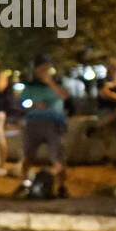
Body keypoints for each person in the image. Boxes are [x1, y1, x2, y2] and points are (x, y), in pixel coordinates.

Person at [13, 54, 70, 198]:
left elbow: (65, 96)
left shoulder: (59, 82)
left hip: (53, 122)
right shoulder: (30, 85)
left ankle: (61, 186)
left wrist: (50, 82)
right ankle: (24, 183)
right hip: (33, 121)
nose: (44, 71)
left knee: (57, 157)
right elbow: (21, 102)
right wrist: (32, 104)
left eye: (47, 68)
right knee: (27, 155)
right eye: (41, 68)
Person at [86, 57, 116, 155]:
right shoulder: (102, 81)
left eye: (115, 66)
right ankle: (107, 154)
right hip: (106, 109)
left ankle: (96, 126)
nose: (113, 68)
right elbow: (104, 94)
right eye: (111, 66)